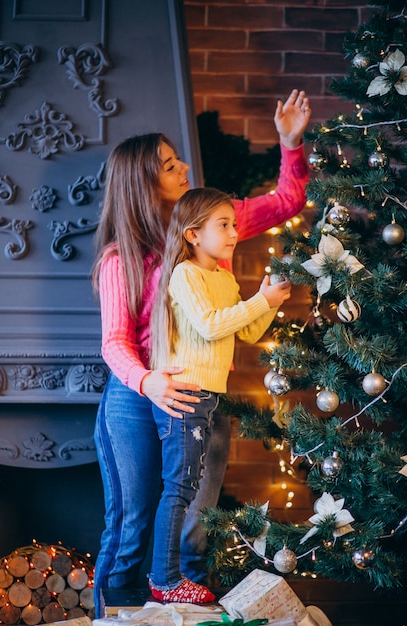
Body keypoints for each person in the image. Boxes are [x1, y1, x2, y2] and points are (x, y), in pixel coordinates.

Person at [93, 89, 311, 617]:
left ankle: (186, 611)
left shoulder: (215, 223)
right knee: (132, 521)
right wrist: (149, 381)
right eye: (169, 165)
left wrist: (290, 143)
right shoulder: (121, 258)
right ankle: (112, 612)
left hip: (198, 394)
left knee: (197, 519)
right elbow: (115, 342)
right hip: (135, 395)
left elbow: (285, 202)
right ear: (145, 184)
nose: (184, 165)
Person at [147, 187, 292, 603]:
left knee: (192, 490)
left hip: (211, 399)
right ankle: (165, 579)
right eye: (222, 225)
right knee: (179, 488)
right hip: (186, 397)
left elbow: (243, 331)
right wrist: (258, 300)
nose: (233, 232)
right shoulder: (185, 274)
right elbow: (211, 325)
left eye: (233, 223)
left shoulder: (224, 278)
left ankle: (177, 577)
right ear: (193, 234)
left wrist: (267, 304)